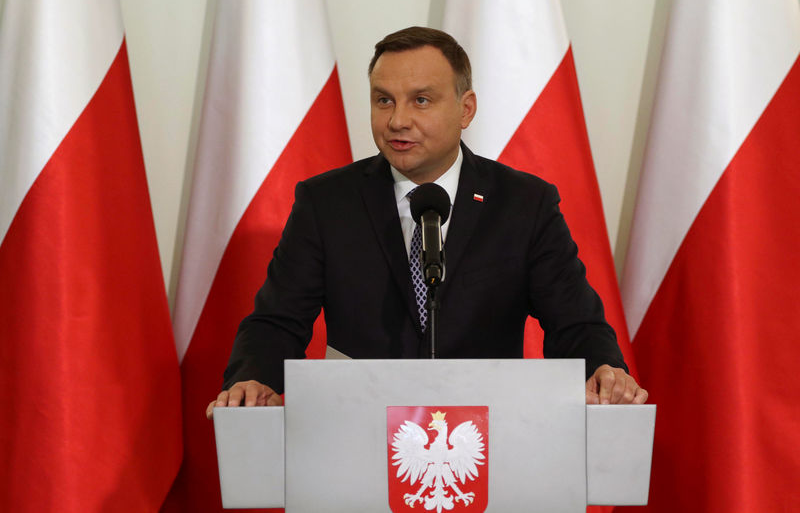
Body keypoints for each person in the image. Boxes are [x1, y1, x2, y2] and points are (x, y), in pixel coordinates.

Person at [207, 27, 646, 419]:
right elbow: (278, 321)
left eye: (421, 100)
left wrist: (603, 369)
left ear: (465, 109)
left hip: (490, 433)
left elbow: (574, 321)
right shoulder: (326, 202)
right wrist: (254, 378)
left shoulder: (524, 203)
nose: (398, 120)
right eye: (384, 100)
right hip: (359, 428)